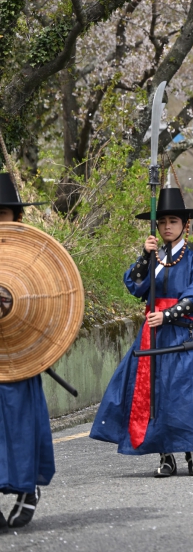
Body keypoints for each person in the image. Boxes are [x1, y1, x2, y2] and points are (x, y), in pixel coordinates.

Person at [91, 186, 193, 477]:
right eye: (162, 222)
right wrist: (144, 257)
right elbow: (135, 286)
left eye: (173, 221)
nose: (167, 226)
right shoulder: (154, 258)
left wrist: (168, 314)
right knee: (154, 394)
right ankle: (165, 455)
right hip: (152, 337)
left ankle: (192, 453)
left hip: (184, 336)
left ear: (185, 225)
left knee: (186, 394)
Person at [0, 172, 53, 528]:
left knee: (19, 425)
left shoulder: (35, 258)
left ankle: (28, 488)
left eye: (2, 215)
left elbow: (49, 305)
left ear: (17, 218)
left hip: (21, 353)